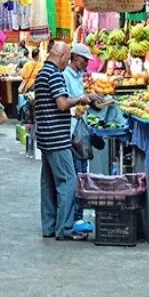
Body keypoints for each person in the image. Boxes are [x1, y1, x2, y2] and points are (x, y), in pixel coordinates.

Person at [34, 41, 96, 241]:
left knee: (49, 183)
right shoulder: (54, 75)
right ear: (61, 57)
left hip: (45, 136)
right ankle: (65, 228)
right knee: (69, 181)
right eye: (66, 57)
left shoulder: (42, 72)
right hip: (57, 138)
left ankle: (49, 226)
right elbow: (62, 104)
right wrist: (81, 99)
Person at [63, 43, 101, 221]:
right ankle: (75, 218)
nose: (87, 63)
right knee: (78, 175)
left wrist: (89, 99)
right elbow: (65, 103)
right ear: (75, 57)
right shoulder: (65, 76)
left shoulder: (78, 76)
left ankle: (77, 216)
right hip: (72, 130)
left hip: (80, 128)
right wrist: (81, 100)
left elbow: (79, 99)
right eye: (85, 59)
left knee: (82, 173)